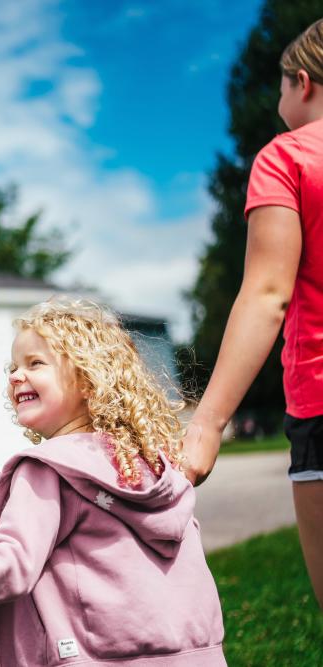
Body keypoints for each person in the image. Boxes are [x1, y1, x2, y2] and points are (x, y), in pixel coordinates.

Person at [0, 299, 226, 666]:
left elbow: (7, 569)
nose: (16, 376)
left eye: (35, 363)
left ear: (88, 380)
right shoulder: (154, 465)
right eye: (13, 367)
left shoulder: (49, 470)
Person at [183, 18, 323, 608]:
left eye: (281, 87)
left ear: (302, 82)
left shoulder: (287, 156)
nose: (278, 101)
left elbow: (268, 294)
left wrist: (207, 424)